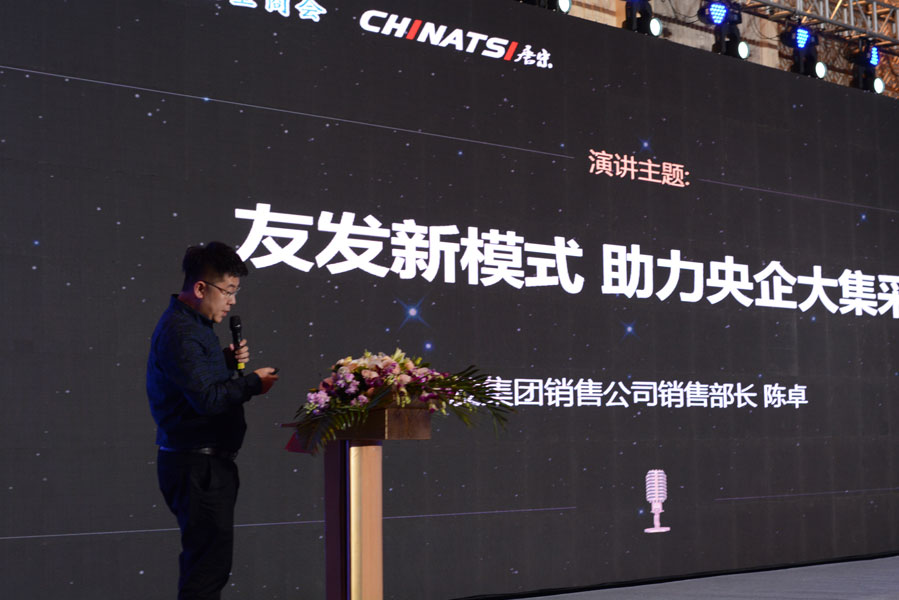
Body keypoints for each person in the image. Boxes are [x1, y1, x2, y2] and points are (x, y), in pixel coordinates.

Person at [147, 241, 279, 600]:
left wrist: (223, 362)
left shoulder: (193, 326)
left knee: (208, 567)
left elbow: (195, 381)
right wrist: (253, 383)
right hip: (197, 467)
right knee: (207, 571)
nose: (232, 301)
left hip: (203, 465)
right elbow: (206, 399)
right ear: (201, 288)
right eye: (228, 291)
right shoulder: (182, 331)